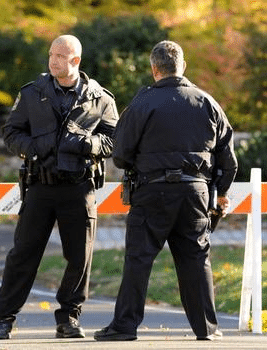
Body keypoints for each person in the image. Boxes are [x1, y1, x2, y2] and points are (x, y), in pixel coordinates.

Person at [94, 40, 238, 342]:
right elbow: (228, 157)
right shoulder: (207, 102)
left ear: (154, 69)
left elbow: (120, 154)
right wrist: (221, 192)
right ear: (182, 66)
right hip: (195, 192)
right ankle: (207, 328)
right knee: (196, 258)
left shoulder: (142, 103)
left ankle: (124, 327)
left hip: (152, 191)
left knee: (139, 259)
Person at [0, 34, 119, 340]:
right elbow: (11, 132)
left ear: (76, 61)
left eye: (60, 56)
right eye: (51, 54)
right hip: (40, 187)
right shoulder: (33, 93)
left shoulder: (101, 98)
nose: (53, 60)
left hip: (79, 187)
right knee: (22, 255)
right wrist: (34, 149)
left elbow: (114, 139)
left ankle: (69, 319)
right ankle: (2, 320)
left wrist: (87, 143)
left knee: (79, 257)